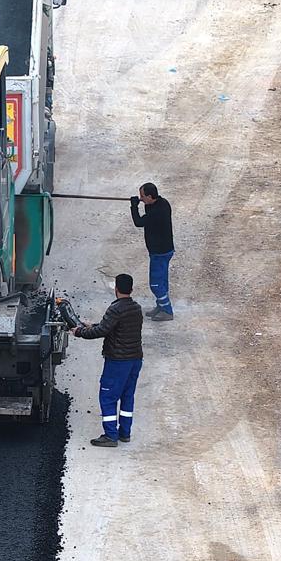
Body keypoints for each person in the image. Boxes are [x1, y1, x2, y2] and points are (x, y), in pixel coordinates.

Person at [73, 273, 144, 448]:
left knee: (108, 397)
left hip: (118, 361)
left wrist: (79, 332)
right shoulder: (136, 308)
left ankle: (110, 436)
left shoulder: (116, 309)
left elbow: (103, 331)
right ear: (131, 289)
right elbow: (113, 326)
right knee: (127, 397)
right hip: (135, 359)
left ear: (116, 289)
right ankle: (124, 433)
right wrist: (93, 325)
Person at [131, 181, 175, 320]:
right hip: (163, 250)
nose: (141, 199)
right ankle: (161, 305)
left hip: (159, 253)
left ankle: (167, 311)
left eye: (143, 197)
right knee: (162, 282)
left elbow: (139, 222)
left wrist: (133, 207)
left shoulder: (157, 212)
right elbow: (148, 210)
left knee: (155, 284)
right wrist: (142, 203)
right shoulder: (162, 203)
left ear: (150, 196)